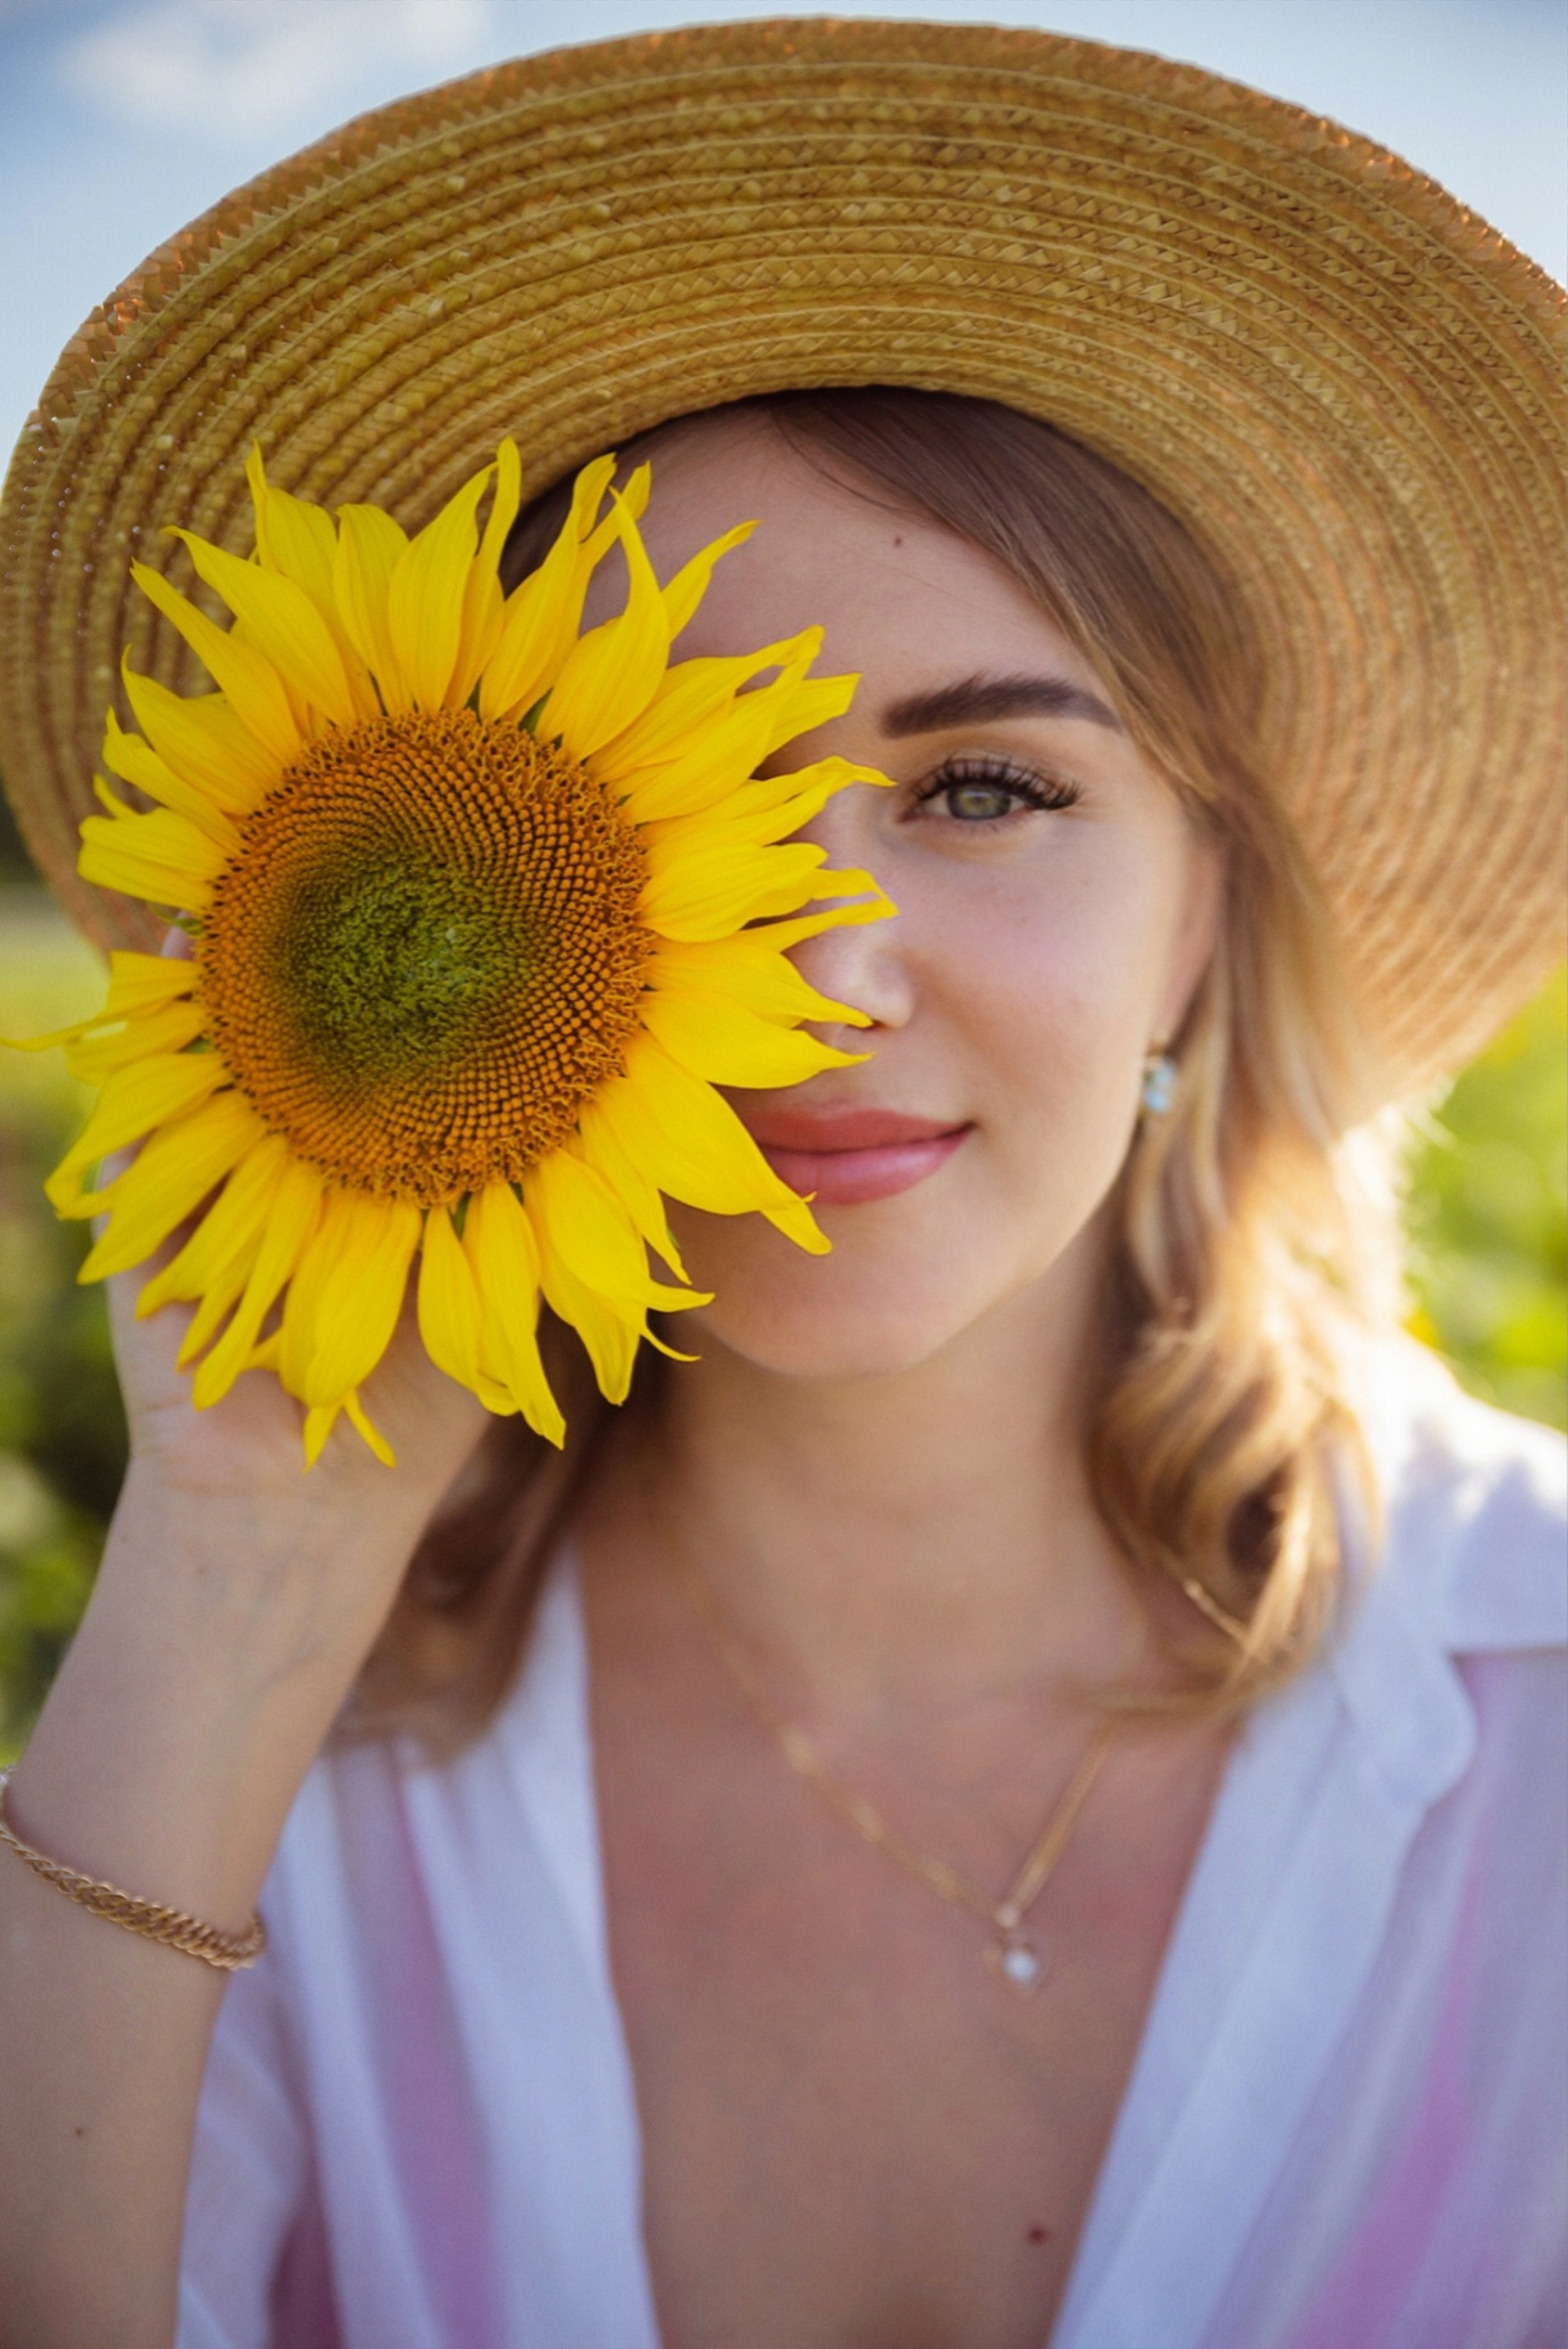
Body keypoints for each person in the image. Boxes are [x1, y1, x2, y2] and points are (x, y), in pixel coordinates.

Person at [0, 24, 1562, 2349]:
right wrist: (230, 1567)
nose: (815, 979)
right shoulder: (248, 1784)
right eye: (667, 799)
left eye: (989, 791)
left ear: (1205, 914)